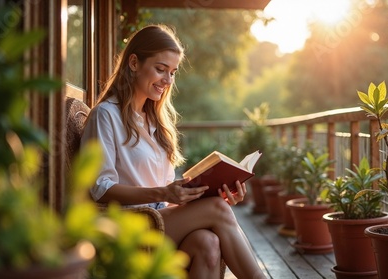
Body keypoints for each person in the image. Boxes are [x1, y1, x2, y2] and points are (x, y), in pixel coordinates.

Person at [81, 24, 266, 279]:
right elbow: (100, 189)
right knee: (218, 211)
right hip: (129, 226)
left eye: (173, 72)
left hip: (160, 218)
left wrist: (202, 192)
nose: (167, 81)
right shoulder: (105, 116)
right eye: (160, 69)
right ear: (134, 63)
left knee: (207, 243)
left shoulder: (155, 122)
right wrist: (164, 192)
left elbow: (166, 192)